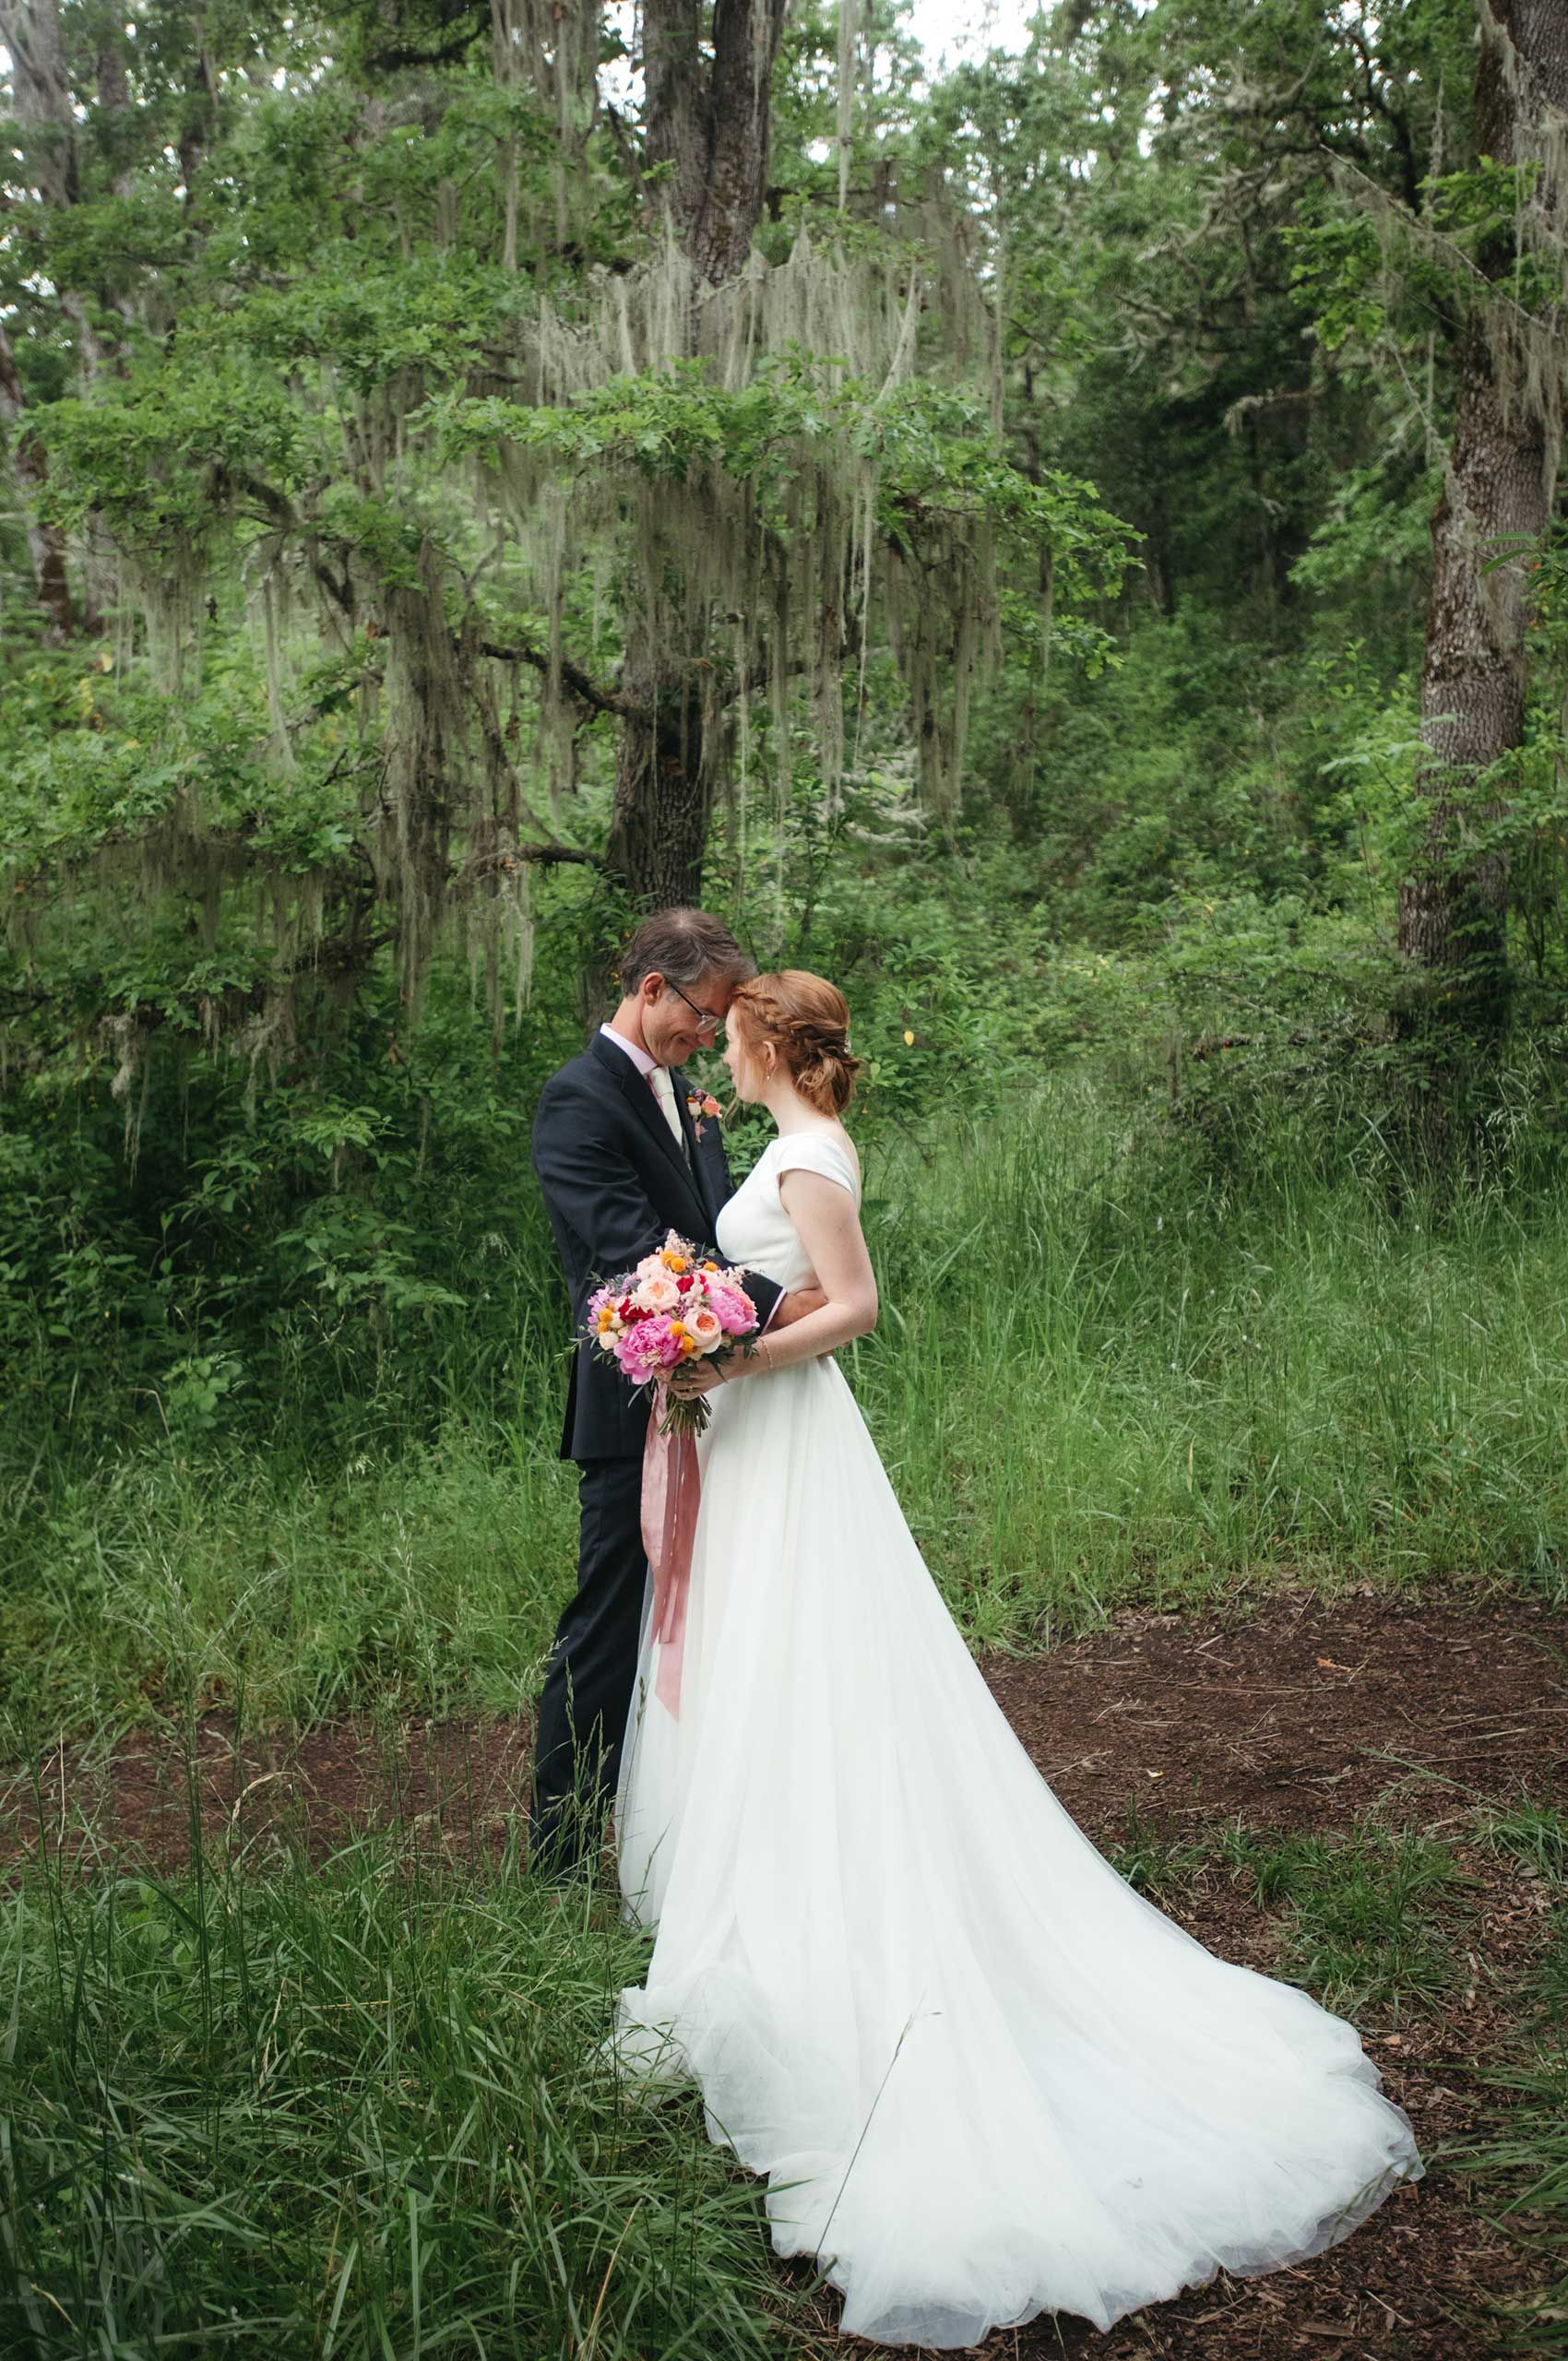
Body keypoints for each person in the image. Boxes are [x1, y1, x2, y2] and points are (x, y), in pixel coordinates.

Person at [608, 967, 1423, 2349]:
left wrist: (727, 1357)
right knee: (767, 1666)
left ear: (765, 1045)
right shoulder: (786, 1144)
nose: (725, 1057)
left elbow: (854, 1304)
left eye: (736, 1039)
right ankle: (765, 1882)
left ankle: (835, 1919)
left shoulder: (808, 1156)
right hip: (757, 1440)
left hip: (788, 1432)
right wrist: (696, 1334)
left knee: (816, 1666)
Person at [528, 910, 824, 1882]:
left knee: (725, 1618)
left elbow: (718, 1239)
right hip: (630, 1404)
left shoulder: (688, 1097)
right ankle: (561, 1857)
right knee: (608, 1628)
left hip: (719, 1393)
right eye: (700, 1014)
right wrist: (788, 1305)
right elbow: (636, 1254)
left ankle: (703, 1847)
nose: (708, 1035)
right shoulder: (576, 1102)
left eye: (715, 1024)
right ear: (651, 987)